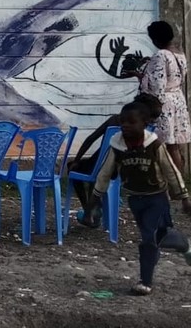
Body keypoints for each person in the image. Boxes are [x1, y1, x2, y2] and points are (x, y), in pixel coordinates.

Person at [88, 101, 191, 296]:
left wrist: (184, 196)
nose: (125, 125)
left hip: (157, 198)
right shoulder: (117, 146)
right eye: (123, 122)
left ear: (144, 123)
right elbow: (105, 172)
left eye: (131, 122)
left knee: (148, 238)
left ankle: (145, 282)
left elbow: (171, 171)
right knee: (160, 236)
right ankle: (185, 245)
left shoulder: (154, 145)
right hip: (136, 200)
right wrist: (95, 196)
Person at [68, 93, 162, 223]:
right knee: (96, 172)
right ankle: (97, 207)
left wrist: (77, 159)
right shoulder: (146, 129)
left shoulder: (115, 120)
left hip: (101, 166)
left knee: (74, 168)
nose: (152, 122)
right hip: (120, 171)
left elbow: (90, 139)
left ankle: (88, 211)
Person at [136, 21, 190, 174]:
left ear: (156, 39)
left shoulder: (160, 55)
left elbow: (157, 86)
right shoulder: (179, 54)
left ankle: (168, 184)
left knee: (163, 145)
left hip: (163, 105)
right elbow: (174, 78)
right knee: (174, 146)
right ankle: (179, 185)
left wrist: (150, 108)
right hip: (177, 101)